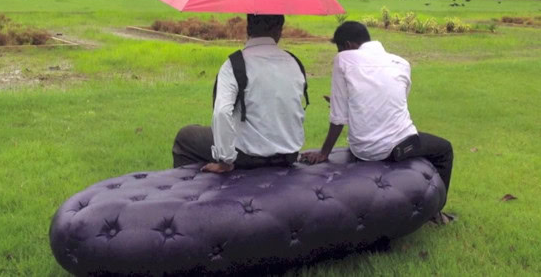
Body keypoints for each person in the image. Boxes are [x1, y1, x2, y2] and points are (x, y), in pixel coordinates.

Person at [301, 21, 454, 213]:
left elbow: (338, 118)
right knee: (444, 150)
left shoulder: (343, 60)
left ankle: (435, 211)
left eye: (339, 48)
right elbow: (390, 102)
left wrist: (324, 153)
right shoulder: (401, 63)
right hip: (406, 144)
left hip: (367, 151)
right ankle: (437, 210)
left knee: (442, 148)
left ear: (347, 45)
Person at [172, 14, 308, 173]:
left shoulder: (235, 64)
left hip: (248, 157)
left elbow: (222, 113)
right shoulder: (294, 62)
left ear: (248, 28)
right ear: (279, 31)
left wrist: (225, 160)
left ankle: (191, 191)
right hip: (288, 156)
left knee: (186, 137)